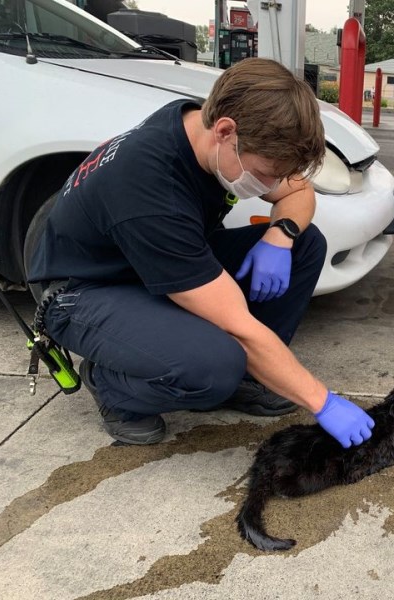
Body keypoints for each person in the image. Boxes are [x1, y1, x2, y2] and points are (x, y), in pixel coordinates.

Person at [27, 58, 374, 447]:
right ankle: (113, 385)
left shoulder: (200, 123)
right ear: (225, 132)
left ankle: (252, 377)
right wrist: (322, 402)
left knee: (305, 245)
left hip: (146, 262)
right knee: (214, 363)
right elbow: (235, 327)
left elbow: (297, 192)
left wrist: (282, 233)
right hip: (85, 291)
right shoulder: (152, 190)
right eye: (266, 173)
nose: (273, 184)